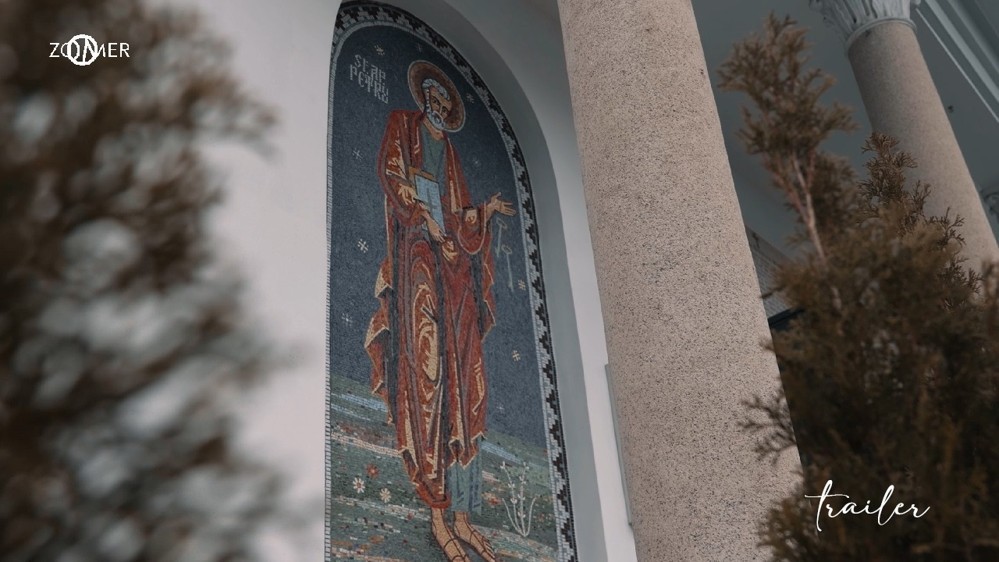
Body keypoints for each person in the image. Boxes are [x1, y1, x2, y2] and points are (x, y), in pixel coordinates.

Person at [364, 60, 515, 562]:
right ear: (424, 97)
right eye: (434, 97)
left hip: (453, 272)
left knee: (467, 383)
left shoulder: (448, 151)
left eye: (446, 103)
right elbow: (394, 177)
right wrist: (425, 219)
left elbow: (459, 216)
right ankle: (436, 513)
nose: (438, 106)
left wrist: (483, 214)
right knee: (428, 377)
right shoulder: (402, 126)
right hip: (419, 263)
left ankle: (465, 516)